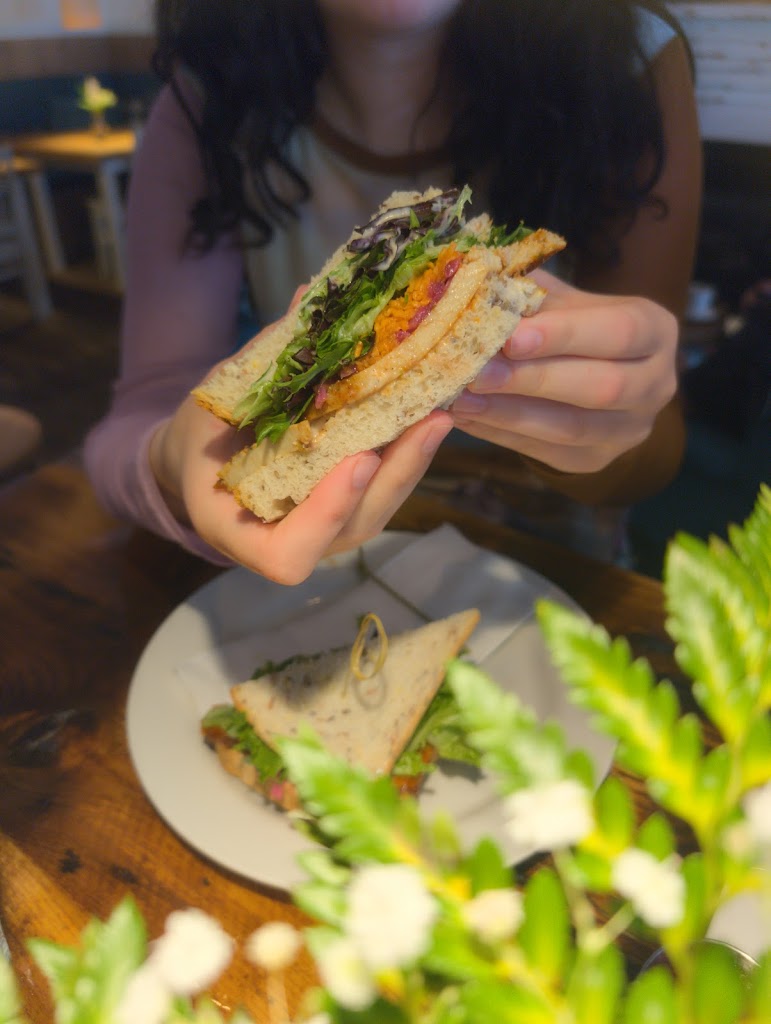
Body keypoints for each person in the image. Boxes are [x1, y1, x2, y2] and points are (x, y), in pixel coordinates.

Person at [84, 0, 702, 584]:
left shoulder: (621, 64)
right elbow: (130, 429)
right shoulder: (214, 95)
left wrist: (600, 432)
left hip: (546, 561)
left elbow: (654, 453)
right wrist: (175, 458)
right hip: (294, 587)